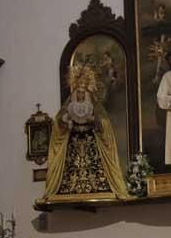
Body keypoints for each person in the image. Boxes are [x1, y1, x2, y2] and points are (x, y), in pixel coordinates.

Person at [41, 63, 131, 201]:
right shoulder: (70, 107)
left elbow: (103, 123)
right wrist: (66, 121)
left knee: (94, 166)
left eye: (83, 92)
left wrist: (93, 120)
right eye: (78, 93)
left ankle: (102, 186)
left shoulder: (91, 106)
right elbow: (59, 122)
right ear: (75, 94)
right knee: (72, 168)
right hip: (73, 143)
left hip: (90, 141)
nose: (81, 95)